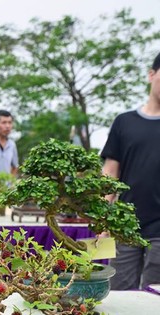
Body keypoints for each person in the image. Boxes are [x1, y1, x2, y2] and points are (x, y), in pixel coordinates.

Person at [101, 52, 160, 290]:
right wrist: (102, 221)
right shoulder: (124, 122)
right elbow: (110, 174)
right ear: (151, 75)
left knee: (155, 296)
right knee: (120, 293)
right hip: (126, 224)